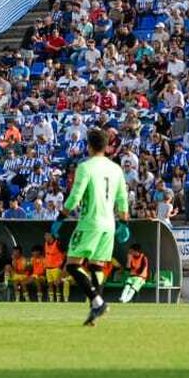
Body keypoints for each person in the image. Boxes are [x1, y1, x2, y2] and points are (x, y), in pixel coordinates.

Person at [61, 128, 130, 326]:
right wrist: (124, 222)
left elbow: (75, 197)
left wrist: (60, 217)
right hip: (109, 224)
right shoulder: (116, 168)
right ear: (107, 146)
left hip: (90, 222)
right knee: (96, 266)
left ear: (89, 146)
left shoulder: (85, 167)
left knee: (73, 265)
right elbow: (122, 198)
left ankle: (97, 301)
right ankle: (94, 312)